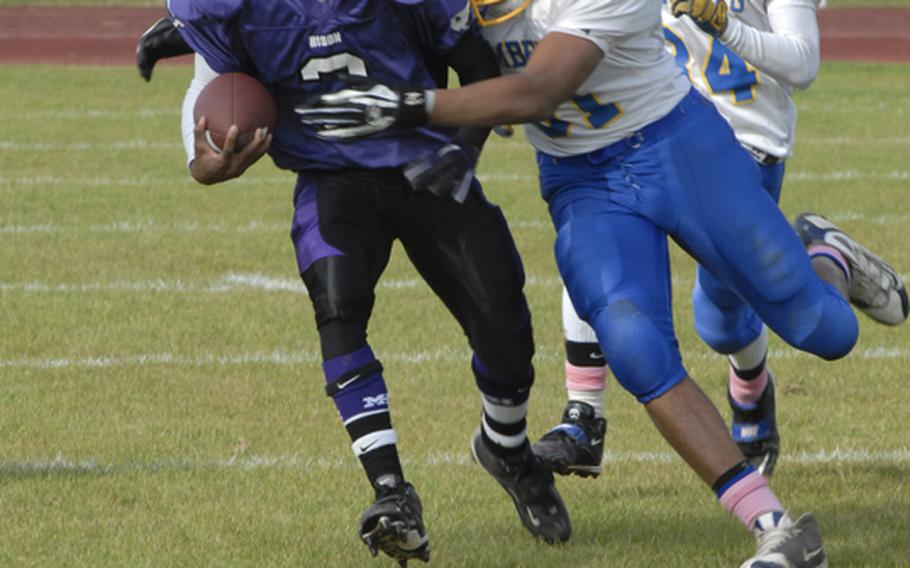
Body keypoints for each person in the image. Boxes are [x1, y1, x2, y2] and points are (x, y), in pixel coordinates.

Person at [296, 0, 907, 565]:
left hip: (677, 149)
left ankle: (828, 255)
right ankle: (773, 527)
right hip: (581, 180)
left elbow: (539, 90)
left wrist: (412, 106)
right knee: (634, 344)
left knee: (824, 331)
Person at [157, 1, 573, 564]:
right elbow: (215, 80)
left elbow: (476, 63)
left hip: (424, 162)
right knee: (338, 302)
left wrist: (464, 150)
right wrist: (202, 158)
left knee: (504, 327)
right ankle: (391, 493)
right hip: (330, 176)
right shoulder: (229, 8)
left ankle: (506, 448)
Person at [532, 0, 908, 480]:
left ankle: (823, 262)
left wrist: (724, 23)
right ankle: (583, 413)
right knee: (598, 244)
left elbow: (802, 63)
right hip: (642, 132)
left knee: (725, 322)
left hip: (741, 146)